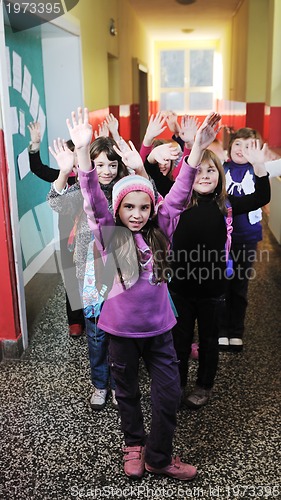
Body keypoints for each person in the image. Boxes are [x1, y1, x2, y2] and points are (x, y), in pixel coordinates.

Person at [61, 106, 223, 481]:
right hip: (120, 332)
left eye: (144, 206)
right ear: (118, 210)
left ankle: (159, 457)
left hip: (160, 332)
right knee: (128, 393)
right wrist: (83, 155)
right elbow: (93, 200)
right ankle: (134, 444)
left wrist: (195, 150)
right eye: (128, 207)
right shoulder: (109, 235)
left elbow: (181, 192)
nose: (136, 214)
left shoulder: (162, 228)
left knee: (167, 396)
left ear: (154, 208)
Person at [169, 139, 270, 409]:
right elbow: (153, 177)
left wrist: (259, 166)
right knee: (179, 341)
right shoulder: (178, 202)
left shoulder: (226, 203)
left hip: (213, 290)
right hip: (180, 288)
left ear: (219, 175)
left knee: (209, 341)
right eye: (198, 171)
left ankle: (204, 385)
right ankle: (177, 384)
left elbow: (262, 197)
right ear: (188, 176)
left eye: (210, 171)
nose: (204, 176)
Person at [48, 135, 130, 410]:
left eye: (112, 164)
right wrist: (63, 172)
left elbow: (151, 198)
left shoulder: (126, 188)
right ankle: (99, 384)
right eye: (100, 165)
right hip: (90, 274)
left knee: (120, 335)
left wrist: (139, 166)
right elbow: (56, 203)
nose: (106, 171)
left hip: (121, 274)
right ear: (90, 166)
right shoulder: (82, 189)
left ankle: (120, 385)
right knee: (95, 335)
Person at [27, 122, 85, 337]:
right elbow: (37, 168)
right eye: (73, 155)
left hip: (91, 237)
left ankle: (95, 316)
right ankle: (75, 320)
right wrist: (35, 144)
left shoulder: (96, 179)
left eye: (79, 153)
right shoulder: (63, 178)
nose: (76, 160)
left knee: (93, 275)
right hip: (68, 238)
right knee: (71, 276)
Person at [218, 127, 270, 352]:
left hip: (246, 237)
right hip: (220, 239)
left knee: (239, 286)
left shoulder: (258, 171)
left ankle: (235, 331)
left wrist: (260, 165)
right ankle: (220, 331)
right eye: (238, 144)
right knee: (220, 285)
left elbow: (262, 195)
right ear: (230, 147)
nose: (242, 149)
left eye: (249, 145)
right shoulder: (221, 169)